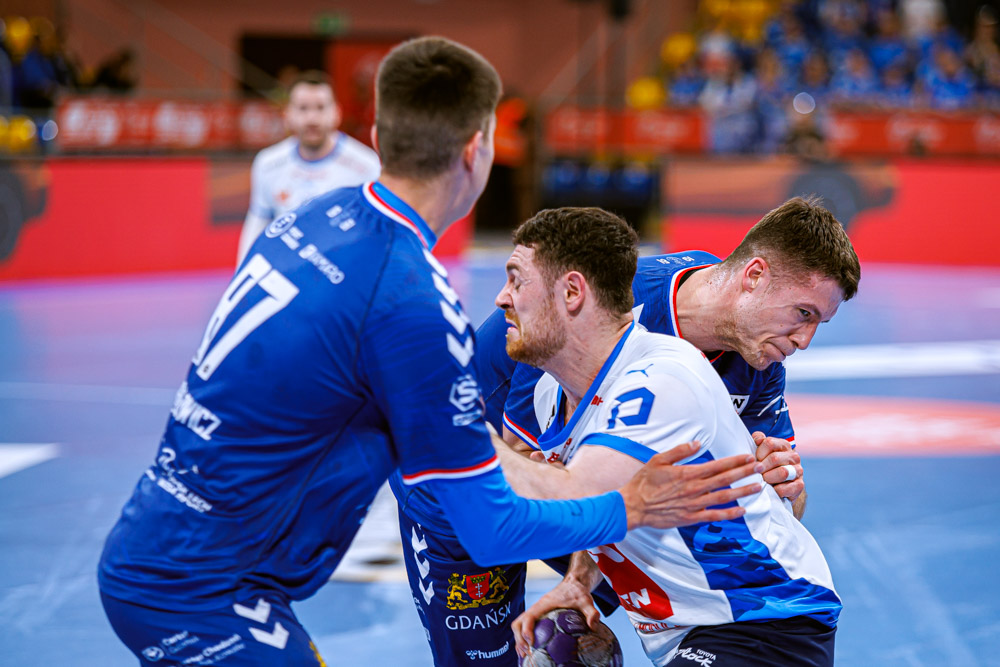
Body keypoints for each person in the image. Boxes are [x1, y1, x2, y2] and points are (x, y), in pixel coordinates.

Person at [97, 37, 764, 667]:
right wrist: (631, 506)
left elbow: (452, 442)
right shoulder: (410, 304)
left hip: (170, 550)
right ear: (477, 150)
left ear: (377, 138)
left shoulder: (311, 215)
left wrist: (563, 482)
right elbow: (492, 530)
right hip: (204, 592)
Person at [392, 196, 858, 666]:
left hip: (751, 614)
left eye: (815, 320)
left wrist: (778, 483)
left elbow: (779, 511)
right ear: (752, 276)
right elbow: (546, 491)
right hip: (464, 488)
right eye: (803, 313)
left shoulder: (711, 365)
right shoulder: (569, 335)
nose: (805, 341)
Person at [236, 69, 381, 264]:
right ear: (287, 115)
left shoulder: (366, 166)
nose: (312, 118)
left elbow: (377, 234)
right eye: (303, 108)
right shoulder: (267, 164)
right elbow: (257, 225)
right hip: (286, 272)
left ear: (337, 113)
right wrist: (242, 271)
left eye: (320, 107)